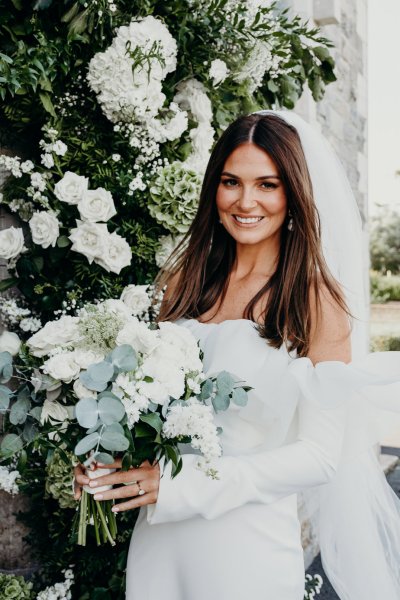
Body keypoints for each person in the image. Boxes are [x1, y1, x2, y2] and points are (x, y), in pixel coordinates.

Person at [74, 110, 400, 599]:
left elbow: (320, 457)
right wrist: (106, 457)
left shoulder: (313, 300)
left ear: (292, 194)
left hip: (244, 546)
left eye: (267, 185)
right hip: (159, 539)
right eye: (231, 182)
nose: (246, 202)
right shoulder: (185, 284)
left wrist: (178, 486)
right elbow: (151, 409)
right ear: (215, 189)